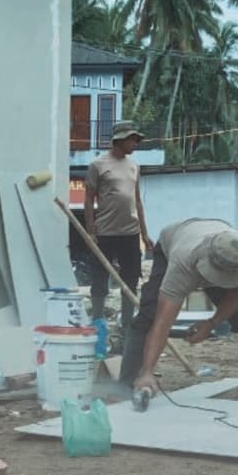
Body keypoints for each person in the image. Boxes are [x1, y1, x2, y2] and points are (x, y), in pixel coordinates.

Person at [118, 219, 238, 402]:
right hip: (174, 243)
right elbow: (163, 322)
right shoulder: (183, 263)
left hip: (211, 235)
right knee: (150, 314)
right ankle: (127, 383)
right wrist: (149, 371)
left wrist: (212, 323)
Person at [84, 120, 153, 331]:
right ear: (120, 140)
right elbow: (88, 199)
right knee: (99, 280)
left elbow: (137, 200)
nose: (135, 143)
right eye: (132, 139)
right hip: (105, 232)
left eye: (136, 140)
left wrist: (144, 234)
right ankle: (97, 322)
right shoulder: (98, 165)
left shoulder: (134, 166)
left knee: (130, 280)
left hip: (130, 233)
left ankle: (126, 326)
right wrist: (90, 231)